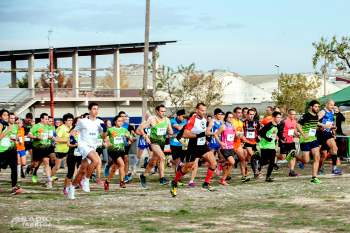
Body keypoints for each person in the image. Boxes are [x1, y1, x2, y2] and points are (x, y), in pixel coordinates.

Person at [170, 103, 217, 197]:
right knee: (187, 168)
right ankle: (174, 182)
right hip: (193, 147)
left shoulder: (204, 119)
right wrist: (198, 136)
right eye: (201, 110)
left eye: (205, 110)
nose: (204, 112)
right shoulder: (192, 120)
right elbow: (185, 134)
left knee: (214, 163)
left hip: (203, 146)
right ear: (197, 110)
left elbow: (204, 132)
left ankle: (206, 184)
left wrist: (207, 138)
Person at [66, 102, 107, 199]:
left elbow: (103, 137)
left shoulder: (99, 122)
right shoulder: (83, 121)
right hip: (83, 145)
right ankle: (86, 180)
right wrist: (72, 137)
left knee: (82, 170)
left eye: (97, 109)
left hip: (93, 146)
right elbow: (74, 130)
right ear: (89, 110)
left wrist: (105, 130)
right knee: (96, 160)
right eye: (94, 109)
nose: (96, 111)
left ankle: (71, 188)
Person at [288, 100, 325, 183]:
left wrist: (320, 129)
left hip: (313, 139)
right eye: (315, 106)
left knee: (317, 157)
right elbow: (297, 125)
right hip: (305, 140)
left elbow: (314, 127)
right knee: (306, 160)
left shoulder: (316, 116)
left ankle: (314, 177)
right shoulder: (306, 116)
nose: (317, 108)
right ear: (311, 107)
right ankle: (293, 154)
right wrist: (304, 135)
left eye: (318, 107)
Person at [138, 104, 173, 187]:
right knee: (162, 157)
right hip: (153, 143)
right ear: (157, 112)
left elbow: (170, 130)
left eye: (164, 111)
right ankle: (161, 178)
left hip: (162, 143)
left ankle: (143, 176)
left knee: (153, 162)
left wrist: (170, 132)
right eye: (162, 111)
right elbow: (140, 128)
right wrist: (145, 137)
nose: (163, 113)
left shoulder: (167, 120)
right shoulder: (152, 120)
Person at [103, 115, 133, 190]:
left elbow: (132, 139)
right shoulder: (110, 130)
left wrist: (128, 138)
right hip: (113, 150)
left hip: (121, 151)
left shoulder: (124, 130)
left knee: (114, 169)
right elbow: (104, 137)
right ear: (115, 122)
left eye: (121, 121)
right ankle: (122, 182)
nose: (120, 122)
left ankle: (106, 182)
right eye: (118, 121)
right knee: (122, 164)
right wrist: (107, 143)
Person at [25, 113, 54, 187]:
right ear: (41, 119)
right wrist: (37, 137)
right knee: (35, 164)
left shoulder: (49, 127)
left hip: (46, 148)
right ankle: (29, 167)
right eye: (46, 119)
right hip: (37, 148)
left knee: (47, 162)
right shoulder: (36, 126)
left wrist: (51, 137)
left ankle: (48, 179)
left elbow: (51, 136)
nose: (47, 120)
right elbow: (29, 135)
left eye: (48, 119)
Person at [316, 99, 342, 175]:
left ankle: (334, 169)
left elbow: (330, 122)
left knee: (335, 148)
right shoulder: (323, 112)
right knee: (323, 155)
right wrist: (323, 126)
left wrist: (332, 127)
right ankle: (319, 168)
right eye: (331, 105)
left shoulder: (332, 112)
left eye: (333, 105)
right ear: (326, 104)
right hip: (320, 134)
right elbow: (315, 121)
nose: (332, 107)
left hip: (328, 134)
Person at [0, 109, 22, 195]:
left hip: (7, 149)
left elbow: (5, 137)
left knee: (14, 166)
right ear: (0, 116)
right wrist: (8, 130)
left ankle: (14, 187)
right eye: (4, 115)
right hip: (0, 150)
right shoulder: (1, 124)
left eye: (7, 115)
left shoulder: (7, 124)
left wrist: (10, 138)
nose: (6, 117)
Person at [213, 112, 238, 185]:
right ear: (226, 118)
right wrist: (220, 143)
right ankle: (221, 165)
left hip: (231, 147)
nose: (231, 119)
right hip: (224, 147)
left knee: (230, 165)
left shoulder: (234, 126)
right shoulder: (223, 126)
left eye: (232, 117)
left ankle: (223, 180)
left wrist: (239, 136)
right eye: (229, 117)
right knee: (232, 161)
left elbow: (235, 136)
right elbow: (215, 135)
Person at [258, 111, 284, 182]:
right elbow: (260, 132)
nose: (279, 119)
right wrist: (267, 138)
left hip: (272, 145)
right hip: (264, 144)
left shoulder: (278, 126)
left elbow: (279, 134)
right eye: (278, 117)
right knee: (264, 161)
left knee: (272, 161)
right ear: (274, 118)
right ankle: (258, 159)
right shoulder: (269, 125)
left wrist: (283, 138)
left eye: (280, 117)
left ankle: (268, 177)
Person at [50, 113, 74, 185]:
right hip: (61, 149)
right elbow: (57, 139)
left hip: (69, 149)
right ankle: (49, 178)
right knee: (57, 167)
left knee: (73, 165)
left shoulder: (72, 128)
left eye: (71, 120)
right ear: (65, 121)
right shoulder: (62, 128)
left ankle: (74, 179)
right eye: (69, 120)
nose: (70, 121)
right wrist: (67, 141)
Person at [63, 117, 82, 195]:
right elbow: (68, 144)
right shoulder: (73, 132)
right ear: (75, 123)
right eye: (79, 122)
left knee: (83, 169)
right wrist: (75, 144)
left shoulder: (84, 132)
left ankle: (79, 181)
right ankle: (66, 188)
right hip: (72, 153)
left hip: (81, 153)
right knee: (70, 172)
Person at [169, 109, 187, 186]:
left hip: (182, 143)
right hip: (174, 144)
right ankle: (177, 179)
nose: (183, 118)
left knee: (180, 162)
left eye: (184, 117)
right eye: (182, 116)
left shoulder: (185, 121)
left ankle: (169, 160)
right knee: (178, 161)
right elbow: (179, 128)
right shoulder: (173, 121)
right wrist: (186, 124)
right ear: (178, 116)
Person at [242, 109, 262, 179]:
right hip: (246, 142)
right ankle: (255, 173)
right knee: (252, 155)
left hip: (254, 142)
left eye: (253, 114)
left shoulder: (256, 123)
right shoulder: (243, 123)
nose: (252, 116)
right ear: (247, 114)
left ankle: (240, 162)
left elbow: (259, 131)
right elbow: (241, 132)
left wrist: (259, 136)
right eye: (250, 114)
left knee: (248, 158)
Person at [280, 109, 300, 177]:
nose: (294, 116)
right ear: (289, 114)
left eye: (295, 114)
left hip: (291, 140)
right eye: (292, 114)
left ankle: (291, 171)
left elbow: (294, 129)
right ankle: (274, 154)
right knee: (283, 157)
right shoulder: (283, 121)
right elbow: (279, 131)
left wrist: (298, 135)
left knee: (293, 155)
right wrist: (281, 139)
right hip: (284, 140)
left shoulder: (294, 121)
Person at [232, 107, 250, 182]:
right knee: (227, 161)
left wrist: (243, 138)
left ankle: (243, 176)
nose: (240, 114)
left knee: (242, 158)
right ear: (234, 113)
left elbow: (241, 133)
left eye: (241, 113)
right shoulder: (231, 121)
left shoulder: (241, 123)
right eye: (238, 113)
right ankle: (223, 173)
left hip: (237, 143)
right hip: (230, 143)